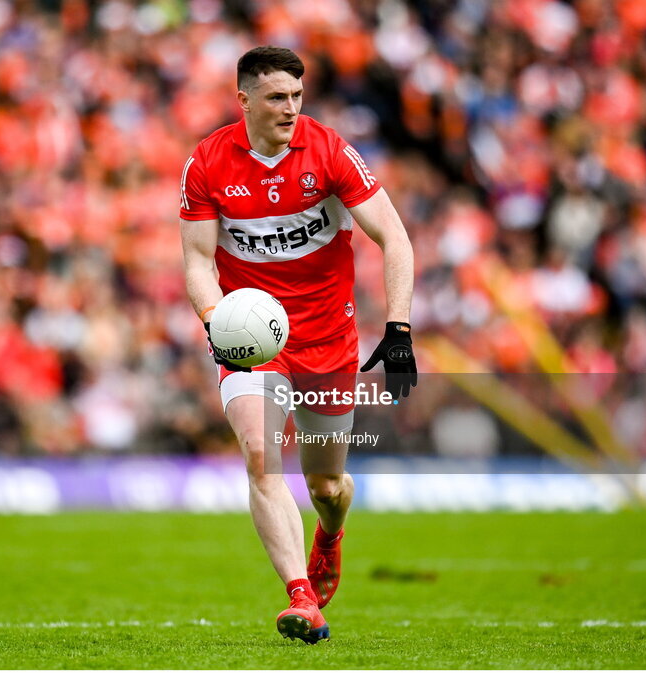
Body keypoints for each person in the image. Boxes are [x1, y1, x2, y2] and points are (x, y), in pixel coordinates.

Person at [179, 46, 417, 644]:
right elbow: (198, 261)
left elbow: (394, 236)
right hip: (251, 341)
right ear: (245, 100)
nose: (290, 108)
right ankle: (300, 598)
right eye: (277, 97)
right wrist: (218, 322)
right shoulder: (207, 163)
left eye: (296, 96)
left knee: (327, 488)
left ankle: (329, 537)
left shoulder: (329, 150)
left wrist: (400, 328)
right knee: (261, 454)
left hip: (327, 337)